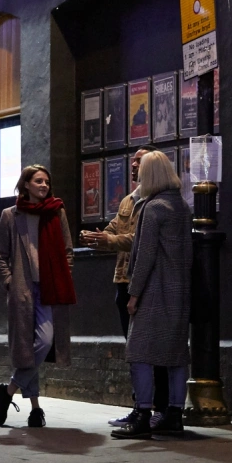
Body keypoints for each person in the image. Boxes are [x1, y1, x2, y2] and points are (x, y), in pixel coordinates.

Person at [80, 145, 170, 427]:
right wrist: (97, 236)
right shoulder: (130, 200)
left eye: (139, 161)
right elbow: (116, 229)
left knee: (153, 349)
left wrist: (110, 240)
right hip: (123, 279)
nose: (133, 166)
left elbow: (138, 240)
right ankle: (139, 405)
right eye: (132, 162)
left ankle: (161, 408)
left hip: (146, 283)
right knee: (133, 350)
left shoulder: (155, 202)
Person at [111, 150, 192, 440]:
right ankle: (174, 414)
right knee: (175, 354)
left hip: (155, 290)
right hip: (180, 290)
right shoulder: (182, 206)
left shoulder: (152, 207)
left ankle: (142, 414)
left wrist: (133, 294)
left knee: (139, 352)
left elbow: (143, 256)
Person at [0, 165, 76, 428]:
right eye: (38, 181)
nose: (44, 186)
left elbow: (67, 250)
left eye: (47, 182)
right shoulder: (10, 215)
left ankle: (8, 391)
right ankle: (36, 409)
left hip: (50, 289)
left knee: (43, 342)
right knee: (28, 348)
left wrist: (63, 275)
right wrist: (10, 283)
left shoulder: (56, 211)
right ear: (26, 184)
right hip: (23, 289)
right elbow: (0, 255)